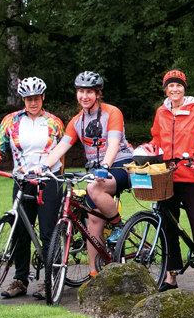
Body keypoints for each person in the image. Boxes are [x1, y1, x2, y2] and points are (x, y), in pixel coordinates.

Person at [0, 77, 65, 299]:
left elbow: (61, 152)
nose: (33, 103)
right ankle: (20, 279)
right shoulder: (11, 121)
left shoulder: (54, 122)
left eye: (37, 98)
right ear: (23, 99)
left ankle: (50, 279)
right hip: (22, 180)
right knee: (20, 231)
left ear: (43, 98)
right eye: (29, 99)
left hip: (49, 180)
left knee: (49, 230)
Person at [40, 72, 135, 245]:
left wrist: (105, 166)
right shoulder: (77, 121)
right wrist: (43, 166)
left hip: (121, 164)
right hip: (98, 172)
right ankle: (94, 271)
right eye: (81, 91)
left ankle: (118, 225)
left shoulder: (112, 112)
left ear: (98, 94)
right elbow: (61, 146)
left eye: (90, 92)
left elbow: (113, 144)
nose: (84, 96)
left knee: (94, 188)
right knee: (92, 221)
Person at [147, 69, 194, 291]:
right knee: (167, 227)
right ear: (165, 89)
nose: (175, 89)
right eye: (170, 86)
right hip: (166, 177)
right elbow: (156, 140)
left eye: (179, 85)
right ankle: (171, 276)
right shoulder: (160, 113)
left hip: (191, 176)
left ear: (184, 88)